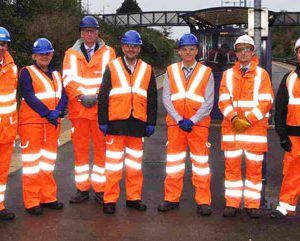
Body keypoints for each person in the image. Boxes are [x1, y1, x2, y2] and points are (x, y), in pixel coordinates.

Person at [98, 30, 157, 214]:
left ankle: (134, 198)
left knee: (134, 165)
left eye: (134, 46)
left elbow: (152, 98)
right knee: (113, 165)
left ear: (139, 48)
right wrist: (103, 120)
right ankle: (110, 199)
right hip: (116, 122)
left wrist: (151, 122)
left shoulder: (147, 69)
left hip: (138, 123)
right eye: (128, 45)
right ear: (122, 47)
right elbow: (103, 95)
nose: (131, 49)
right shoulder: (112, 66)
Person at [157, 33, 214, 216]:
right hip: (176, 125)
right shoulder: (170, 71)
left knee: (201, 164)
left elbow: (209, 101)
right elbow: (166, 98)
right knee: (174, 164)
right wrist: (179, 119)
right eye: (184, 49)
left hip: (198, 125)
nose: (188, 52)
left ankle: (203, 201)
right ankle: (171, 198)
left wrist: (193, 120)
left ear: (197, 51)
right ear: (179, 52)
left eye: (191, 49)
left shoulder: (206, 72)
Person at [218, 34, 273, 219]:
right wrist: (234, 118)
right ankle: (232, 203)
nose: (243, 53)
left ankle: (252, 204)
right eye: (240, 50)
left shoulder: (261, 74)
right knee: (231, 169)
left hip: (253, 131)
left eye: (247, 49)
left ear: (253, 52)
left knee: (254, 171)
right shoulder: (227, 75)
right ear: (235, 53)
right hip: (233, 130)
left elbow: (266, 101)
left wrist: (247, 120)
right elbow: (223, 100)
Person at [63, 16, 116, 204]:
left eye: (92, 31)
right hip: (79, 111)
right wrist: (79, 96)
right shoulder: (70, 54)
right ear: (81, 33)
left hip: (100, 111)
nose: (89, 34)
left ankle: (101, 190)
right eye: (86, 31)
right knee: (80, 151)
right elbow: (67, 79)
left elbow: (111, 79)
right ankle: (82, 189)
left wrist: (97, 97)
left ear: (97, 32)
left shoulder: (109, 52)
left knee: (102, 151)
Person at [19, 38, 67, 215]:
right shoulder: (27, 72)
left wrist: (59, 111)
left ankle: (48, 197)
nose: (44, 57)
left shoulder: (56, 74)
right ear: (34, 55)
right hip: (33, 124)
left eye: (47, 53)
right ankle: (32, 201)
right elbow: (29, 95)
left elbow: (64, 95)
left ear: (52, 54)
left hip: (52, 124)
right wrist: (48, 112)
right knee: (32, 164)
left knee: (47, 163)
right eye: (41, 54)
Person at [271, 38, 300, 219]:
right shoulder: (289, 79)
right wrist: (282, 135)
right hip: (294, 135)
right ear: (296, 54)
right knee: (292, 171)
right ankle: (286, 205)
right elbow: (280, 108)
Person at [0, 27, 18, 220]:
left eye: (4, 44)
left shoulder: (12, 66)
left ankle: (0, 205)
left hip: (7, 128)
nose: (1, 47)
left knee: (2, 170)